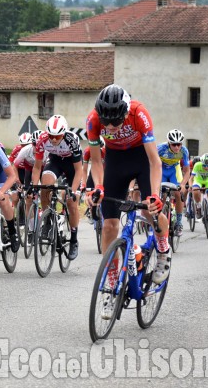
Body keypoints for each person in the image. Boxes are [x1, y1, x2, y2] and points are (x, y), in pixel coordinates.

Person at [85, 84, 169, 301]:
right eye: (107, 121)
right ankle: (111, 283)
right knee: (109, 225)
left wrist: (155, 196)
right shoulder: (94, 120)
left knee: (151, 211)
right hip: (115, 160)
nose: (111, 126)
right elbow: (96, 160)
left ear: (125, 111)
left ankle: (163, 249)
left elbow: (154, 161)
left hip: (142, 158)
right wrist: (99, 187)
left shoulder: (138, 113)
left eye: (116, 121)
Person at [31, 115, 83, 260]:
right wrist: (35, 186)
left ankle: (73, 240)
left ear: (64, 132)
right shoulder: (42, 140)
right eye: (51, 135)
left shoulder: (71, 140)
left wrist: (72, 191)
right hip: (55, 161)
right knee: (45, 185)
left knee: (72, 202)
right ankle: (47, 220)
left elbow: (79, 170)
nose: (53, 139)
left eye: (57, 135)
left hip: (72, 165)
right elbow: (36, 167)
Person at [157, 129, 191, 235]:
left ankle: (179, 222)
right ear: (169, 143)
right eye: (174, 144)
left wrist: (182, 184)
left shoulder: (184, 151)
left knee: (178, 192)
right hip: (161, 170)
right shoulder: (160, 149)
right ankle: (160, 218)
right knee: (161, 195)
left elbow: (186, 170)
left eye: (179, 144)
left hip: (173, 171)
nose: (177, 147)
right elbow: (152, 165)